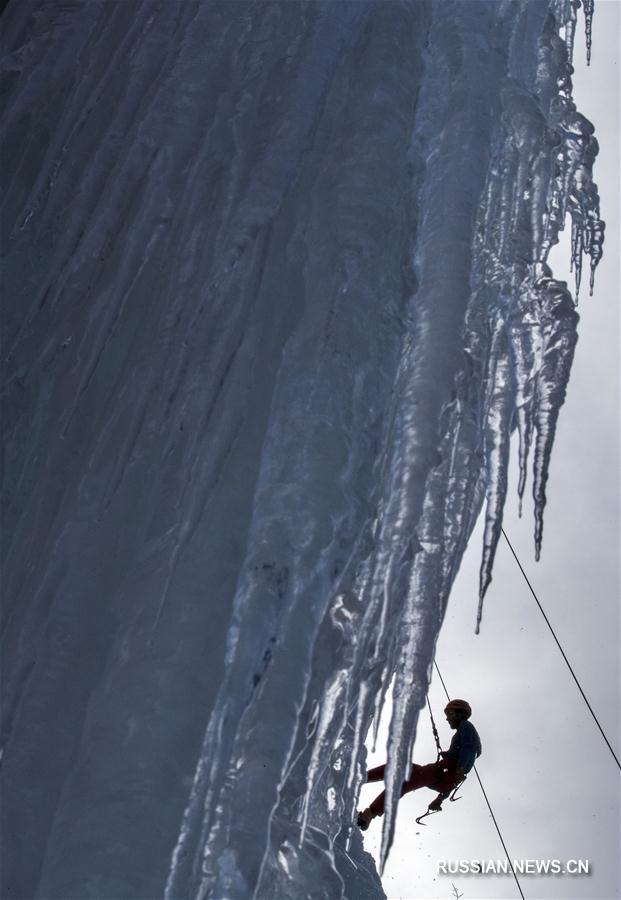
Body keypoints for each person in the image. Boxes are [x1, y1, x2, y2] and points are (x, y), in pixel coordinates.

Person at [357, 698, 482, 830]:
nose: (447, 719)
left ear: (460, 714)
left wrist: (459, 769)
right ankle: (364, 786)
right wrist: (440, 799)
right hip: (444, 777)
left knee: (403, 779)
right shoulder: (464, 734)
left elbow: (469, 749)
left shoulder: (465, 726)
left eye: (449, 714)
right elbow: (463, 760)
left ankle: (369, 809)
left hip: (443, 771)